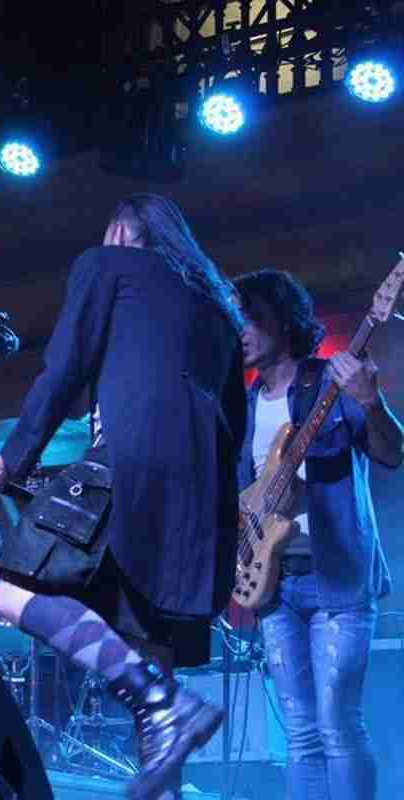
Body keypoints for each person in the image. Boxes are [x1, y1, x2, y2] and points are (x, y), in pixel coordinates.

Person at [0, 194, 248, 800]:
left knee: (13, 593)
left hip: (129, 459)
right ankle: (163, 726)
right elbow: (235, 425)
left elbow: (65, 368)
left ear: (122, 229)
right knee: (149, 646)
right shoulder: (220, 307)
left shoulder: (106, 265)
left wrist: (12, 461)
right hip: (198, 498)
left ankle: (158, 698)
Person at [234, 269, 401, 800]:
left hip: (337, 580)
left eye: (249, 319)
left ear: (282, 321)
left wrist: (372, 403)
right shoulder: (242, 406)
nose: (240, 332)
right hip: (273, 585)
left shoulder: (332, 381)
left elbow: (392, 454)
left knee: (337, 727)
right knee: (300, 735)